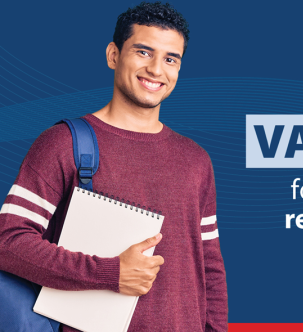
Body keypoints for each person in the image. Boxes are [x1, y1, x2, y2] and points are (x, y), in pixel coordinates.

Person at [0, 2, 228, 331]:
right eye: (143, 52)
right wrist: (111, 273)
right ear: (113, 55)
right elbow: (9, 242)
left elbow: (210, 270)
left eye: (170, 59)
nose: (156, 70)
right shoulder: (63, 143)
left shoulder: (196, 160)